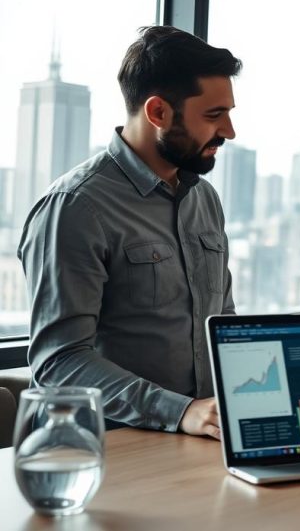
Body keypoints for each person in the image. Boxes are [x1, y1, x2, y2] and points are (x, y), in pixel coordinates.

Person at [18, 26, 241, 439]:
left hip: (197, 442)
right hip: (103, 447)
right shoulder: (75, 206)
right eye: (214, 115)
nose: (229, 131)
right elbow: (59, 362)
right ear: (158, 113)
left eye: (228, 113)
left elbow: (221, 323)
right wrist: (180, 412)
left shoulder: (204, 198)